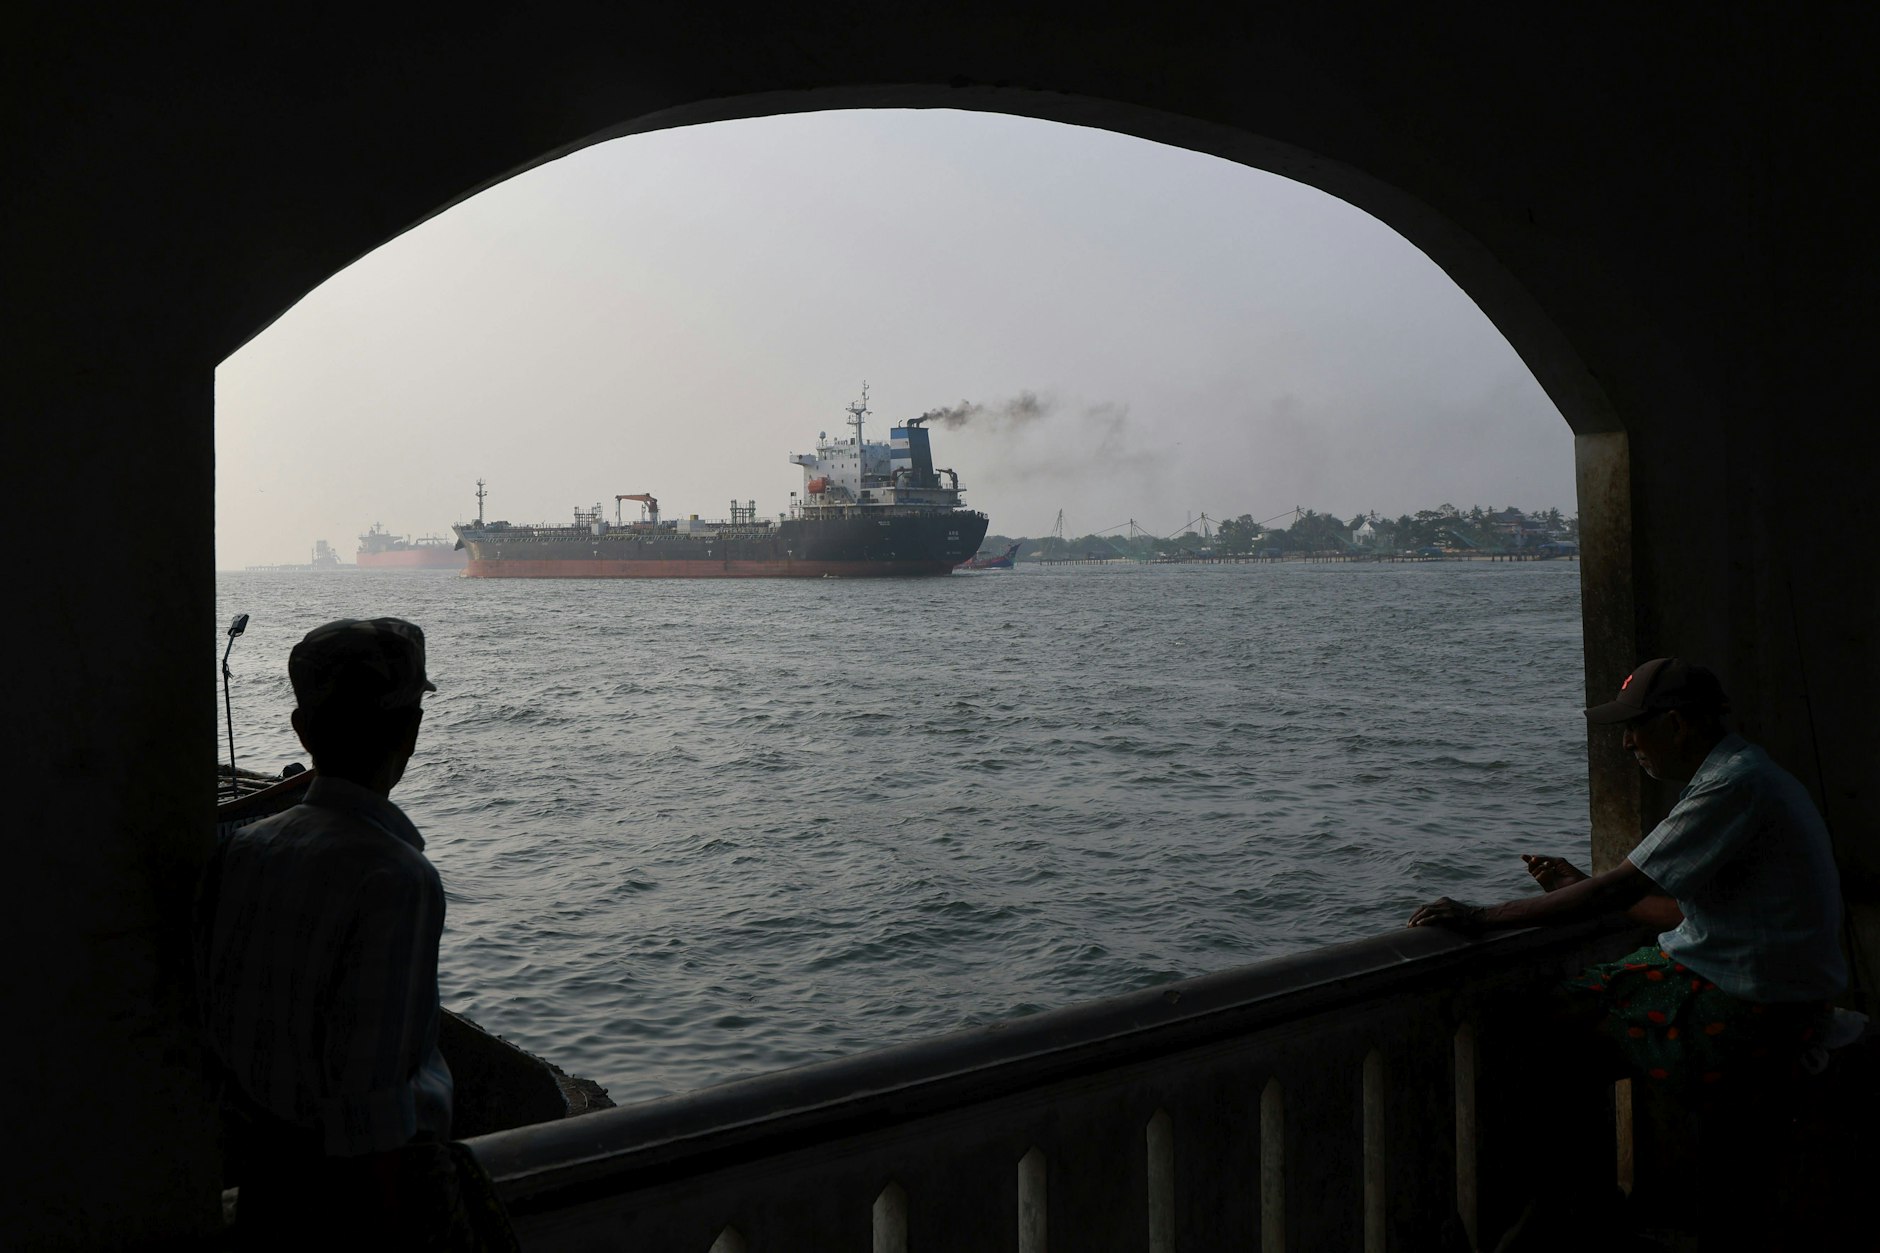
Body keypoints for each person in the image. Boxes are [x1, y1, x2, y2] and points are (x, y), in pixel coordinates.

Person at [1409, 657, 1846, 1247]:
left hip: (1750, 1005)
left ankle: (1569, 1210)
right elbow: (1679, 910)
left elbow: (1621, 887)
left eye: (1635, 726)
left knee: (1545, 1030)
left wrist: (1480, 915)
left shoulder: (1729, 787)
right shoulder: (1748, 774)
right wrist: (1572, 888)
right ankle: (1579, 1205)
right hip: (1776, 990)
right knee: (1569, 1023)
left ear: (1676, 724)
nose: (1627, 742)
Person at [195, 618, 514, 1249]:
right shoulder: (395, 878)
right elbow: (374, 1119)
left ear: (301, 731)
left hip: (267, 1185)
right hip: (358, 1206)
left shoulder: (241, 852)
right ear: (412, 732)